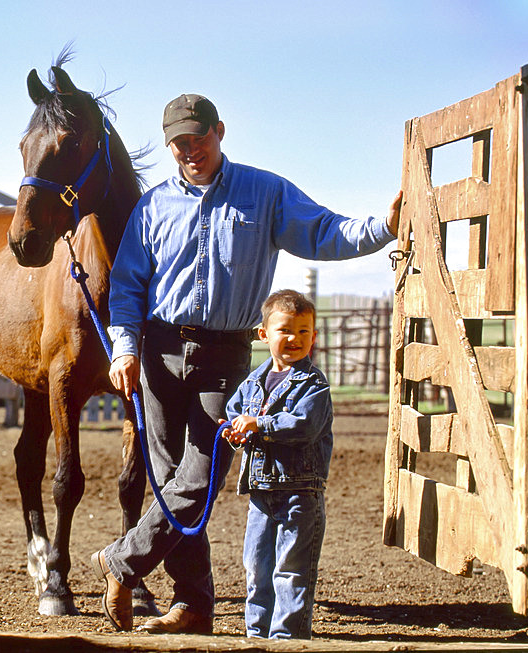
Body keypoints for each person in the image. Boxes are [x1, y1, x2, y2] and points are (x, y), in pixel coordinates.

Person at [89, 93, 401, 633]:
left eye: (200, 138)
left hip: (225, 352)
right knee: (168, 482)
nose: (192, 151)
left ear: (221, 132)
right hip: (160, 350)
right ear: (170, 147)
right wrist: (124, 346)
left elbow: (324, 230)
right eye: (180, 144)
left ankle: (124, 561)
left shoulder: (265, 193)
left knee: (203, 473)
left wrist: (383, 228)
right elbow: (127, 286)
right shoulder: (153, 207)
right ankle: (194, 605)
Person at [222, 289, 330, 639]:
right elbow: (234, 411)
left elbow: (305, 424)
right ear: (263, 334)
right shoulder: (253, 381)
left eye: (303, 332)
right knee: (257, 567)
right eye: (285, 330)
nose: (294, 339)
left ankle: (287, 641)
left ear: (313, 337)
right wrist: (233, 429)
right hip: (260, 495)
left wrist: (260, 425)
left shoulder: (314, 385)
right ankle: (257, 635)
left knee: (291, 571)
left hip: (299, 494)